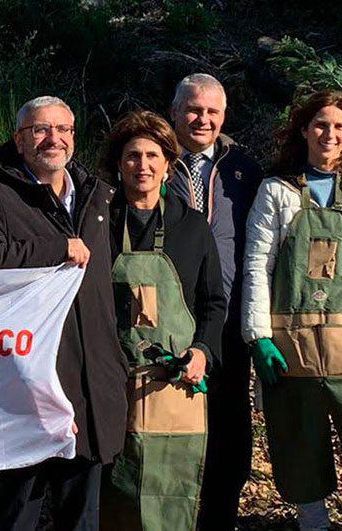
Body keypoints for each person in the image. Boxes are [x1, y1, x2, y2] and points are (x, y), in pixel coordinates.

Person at [0, 96, 126, 531]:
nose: (54, 139)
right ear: (19, 140)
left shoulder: (98, 199)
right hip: (22, 392)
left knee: (80, 519)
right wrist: (55, 249)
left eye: (63, 130)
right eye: (40, 130)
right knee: (16, 517)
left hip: (89, 391)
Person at [241, 91, 342, 531]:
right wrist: (258, 337)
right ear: (303, 130)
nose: (328, 134)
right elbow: (258, 266)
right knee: (298, 438)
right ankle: (313, 522)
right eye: (320, 124)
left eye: (338, 126)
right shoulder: (275, 190)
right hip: (291, 347)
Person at [97, 110, 225, 531]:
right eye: (133, 156)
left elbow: (213, 301)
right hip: (112, 380)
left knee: (172, 484)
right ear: (119, 163)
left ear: (169, 165)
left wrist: (203, 351)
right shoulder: (98, 225)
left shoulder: (192, 229)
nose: (143, 166)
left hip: (175, 381)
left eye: (153, 156)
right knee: (116, 482)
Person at [166, 73, 262, 529]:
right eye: (193, 109)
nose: (202, 119)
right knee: (170, 421)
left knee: (229, 427)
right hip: (166, 318)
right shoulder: (152, 161)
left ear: (223, 116)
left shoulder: (244, 169)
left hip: (226, 318)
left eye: (212, 111)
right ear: (175, 112)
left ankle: (220, 516)